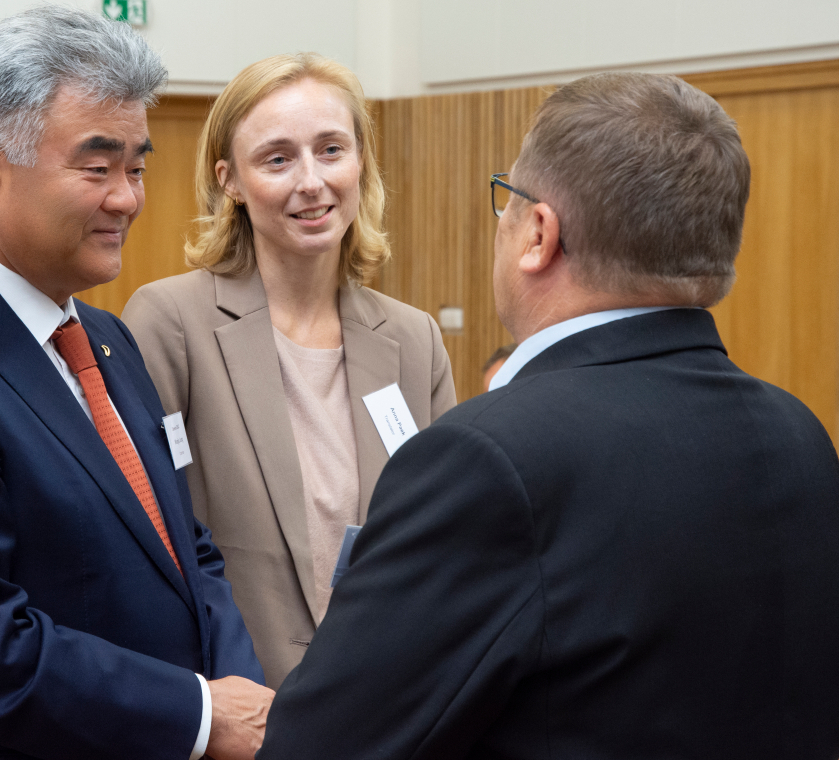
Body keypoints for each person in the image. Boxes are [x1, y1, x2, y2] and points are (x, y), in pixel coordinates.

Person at [258, 72, 839, 758]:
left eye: (508, 202)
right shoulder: (799, 433)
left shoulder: (486, 459)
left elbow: (323, 742)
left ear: (537, 232)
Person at [0, 7, 272, 760]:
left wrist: (240, 696)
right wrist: (199, 715)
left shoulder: (108, 340)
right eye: (97, 168)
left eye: (137, 167)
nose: (127, 198)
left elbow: (189, 553)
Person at [122, 53, 457, 687]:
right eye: (277, 159)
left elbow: (445, 536)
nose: (312, 181)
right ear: (231, 181)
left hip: (387, 701)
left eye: (331, 150)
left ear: (361, 163)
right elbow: (145, 543)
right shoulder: (171, 323)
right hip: (240, 704)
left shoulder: (413, 339)